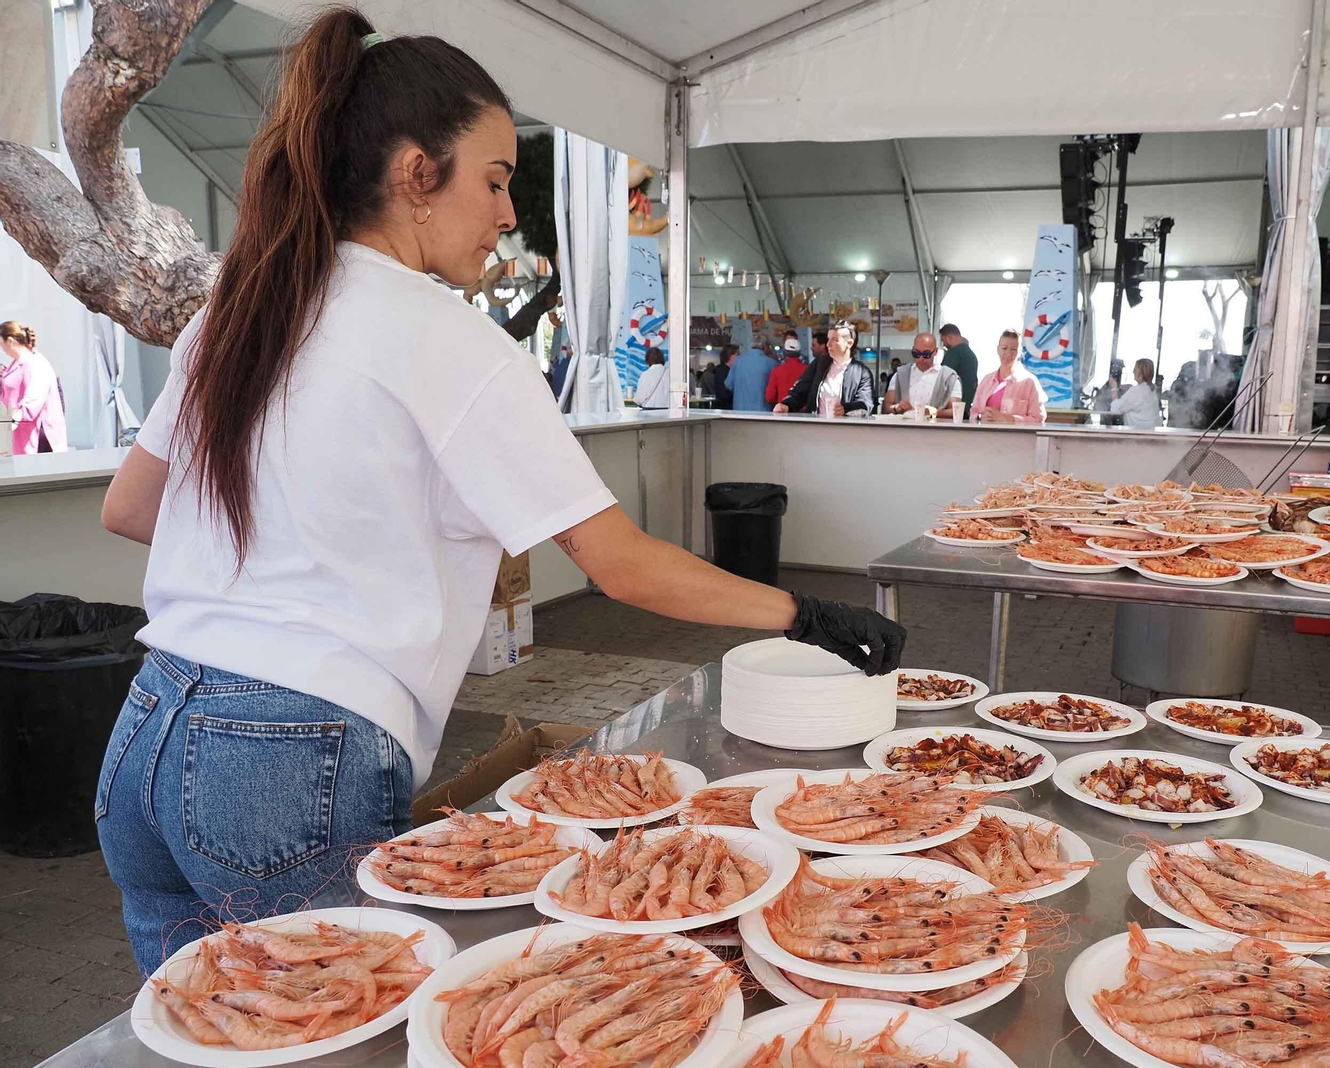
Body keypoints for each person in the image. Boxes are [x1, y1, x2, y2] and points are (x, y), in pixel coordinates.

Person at [94, 9, 904, 981]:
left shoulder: (244, 303)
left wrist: (300, 556)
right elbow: (620, 564)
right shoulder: (445, 338)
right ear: (411, 175)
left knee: (199, 1056)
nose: (509, 213)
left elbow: (131, 510)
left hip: (146, 729)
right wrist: (802, 613)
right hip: (287, 754)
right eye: (492, 178)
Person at [774, 321, 874, 416]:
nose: (828, 344)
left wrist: (846, 409)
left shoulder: (861, 372)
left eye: (835, 340)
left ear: (849, 343)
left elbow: (866, 405)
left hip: (845, 430)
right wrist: (786, 405)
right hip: (816, 427)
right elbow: (799, 391)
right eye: (828, 339)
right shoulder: (819, 364)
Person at [0, 321, 68, 454]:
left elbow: (34, 399)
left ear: (10, 341)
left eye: (1, 343)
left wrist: (13, 418)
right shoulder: (16, 364)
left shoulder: (36, 364)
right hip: (20, 434)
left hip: (38, 436)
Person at [971, 329, 1044, 424]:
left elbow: (1038, 419)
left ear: (1020, 352)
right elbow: (973, 412)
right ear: (998, 349)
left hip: (1015, 437)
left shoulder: (1030, 382)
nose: (1008, 353)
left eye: (1014, 349)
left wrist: (1008, 418)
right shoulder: (986, 380)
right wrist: (980, 418)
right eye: (1004, 348)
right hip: (986, 436)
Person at [883, 331, 962, 416]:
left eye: (926, 354)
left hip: (935, 428)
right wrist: (897, 408)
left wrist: (931, 413)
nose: (921, 358)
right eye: (916, 354)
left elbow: (955, 411)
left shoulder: (949, 377)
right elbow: (886, 407)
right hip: (905, 428)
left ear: (935, 352)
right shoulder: (900, 374)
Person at [727, 334, 777, 411]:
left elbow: (728, 385)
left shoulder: (738, 361)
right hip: (763, 412)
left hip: (739, 412)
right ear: (765, 346)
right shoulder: (772, 363)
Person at [1110, 357, 1162, 429]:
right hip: (1151, 433)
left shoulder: (1136, 391)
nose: (1133, 372)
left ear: (1141, 373)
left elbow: (1115, 409)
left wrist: (1114, 388)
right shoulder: (1153, 390)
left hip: (1137, 435)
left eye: (1135, 369)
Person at [938, 322, 979, 407]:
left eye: (943, 340)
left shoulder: (953, 353)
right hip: (968, 404)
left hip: (953, 406)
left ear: (949, 337)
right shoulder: (971, 354)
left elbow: (943, 378)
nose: (943, 344)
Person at [765, 335, 807, 407]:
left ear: (784, 353)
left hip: (783, 412)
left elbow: (770, 397)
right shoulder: (808, 370)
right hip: (805, 414)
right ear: (799, 353)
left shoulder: (777, 371)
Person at [713, 343, 738, 409]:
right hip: (725, 407)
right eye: (737, 355)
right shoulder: (722, 371)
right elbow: (723, 393)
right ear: (731, 356)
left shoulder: (721, 369)